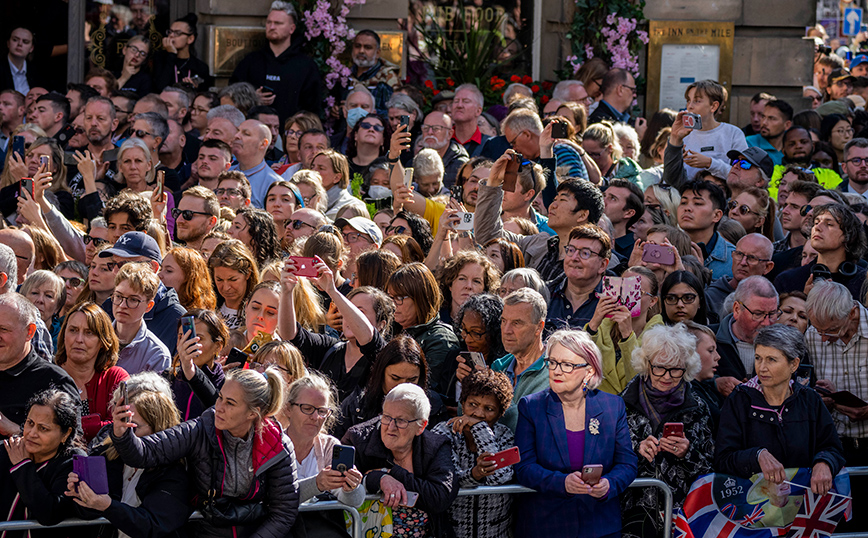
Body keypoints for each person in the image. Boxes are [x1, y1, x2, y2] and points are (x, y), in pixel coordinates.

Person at [110, 366, 299, 538]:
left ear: (252, 413)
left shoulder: (278, 445)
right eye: (220, 397)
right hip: (206, 531)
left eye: (230, 403)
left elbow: (283, 513)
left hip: (257, 531)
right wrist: (123, 434)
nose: (219, 407)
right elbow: (144, 453)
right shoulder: (200, 428)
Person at [513, 329, 638, 538]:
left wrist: (609, 485)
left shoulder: (612, 406)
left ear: (589, 371)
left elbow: (627, 464)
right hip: (546, 526)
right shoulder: (531, 406)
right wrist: (562, 483)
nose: (556, 371)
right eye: (552, 362)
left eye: (567, 365)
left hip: (600, 526)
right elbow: (524, 467)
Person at [715, 324, 845, 494]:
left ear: (794, 364)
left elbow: (832, 448)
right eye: (758, 358)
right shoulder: (740, 400)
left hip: (804, 504)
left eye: (771, 359)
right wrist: (756, 456)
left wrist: (824, 462)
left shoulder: (809, 400)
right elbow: (723, 459)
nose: (761, 368)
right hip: (753, 509)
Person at [66, 373, 191, 538]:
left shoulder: (174, 470)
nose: (125, 433)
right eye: (120, 423)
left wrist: (108, 506)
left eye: (133, 427)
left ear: (159, 427)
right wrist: (81, 494)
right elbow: (88, 516)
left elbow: (154, 525)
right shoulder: (107, 452)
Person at [621, 323, 714, 536]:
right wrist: (637, 449)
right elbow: (608, 456)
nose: (667, 376)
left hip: (683, 513)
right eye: (660, 367)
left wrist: (686, 453)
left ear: (686, 368)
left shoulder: (697, 407)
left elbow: (709, 469)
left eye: (676, 369)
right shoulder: (622, 403)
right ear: (646, 364)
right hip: (634, 511)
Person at [343, 383, 459, 538]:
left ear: (421, 426)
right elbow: (340, 484)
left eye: (401, 420)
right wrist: (378, 479)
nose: (391, 427)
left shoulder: (435, 446)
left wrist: (393, 473)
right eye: (386, 417)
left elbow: (440, 496)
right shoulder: (357, 439)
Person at [280, 255, 390, 400]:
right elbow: (290, 335)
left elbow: (368, 337)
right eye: (347, 310)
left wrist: (332, 291)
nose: (348, 317)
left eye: (359, 312)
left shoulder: (382, 355)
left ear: (381, 324)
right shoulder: (330, 349)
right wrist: (286, 292)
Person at [432, 369, 515, 538]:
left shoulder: (505, 436)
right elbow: (448, 480)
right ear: (462, 403)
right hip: (453, 531)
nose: (479, 414)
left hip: (495, 531)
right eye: (472, 405)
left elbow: (500, 478)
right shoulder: (443, 432)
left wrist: (480, 429)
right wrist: (475, 474)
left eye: (489, 408)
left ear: (500, 414)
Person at [283, 373, 365, 534]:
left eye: (322, 411)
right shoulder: (274, 444)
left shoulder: (329, 446)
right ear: (288, 409)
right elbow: (276, 498)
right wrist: (317, 484)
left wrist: (351, 487)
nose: (315, 417)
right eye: (307, 409)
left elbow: (354, 502)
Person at [0, 388, 84, 531]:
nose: (32, 433)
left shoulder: (73, 462)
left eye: (43, 428)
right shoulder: (8, 450)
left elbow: (49, 513)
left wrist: (22, 466)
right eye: (30, 423)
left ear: (65, 434)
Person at [806, 281, 868, 470]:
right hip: (834, 446)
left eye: (832, 330)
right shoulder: (811, 336)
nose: (823, 338)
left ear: (852, 313)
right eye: (818, 330)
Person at [230, 0, 322, 123]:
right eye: (269, 22)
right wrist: (253, 99)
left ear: (292, 28)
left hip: (289, 136)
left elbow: (313, 109)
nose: (272, 27)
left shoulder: (306, 66)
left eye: (278, 23)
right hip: (253, 134)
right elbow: (230, 96)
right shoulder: (251, 61)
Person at [0, 293, 77, 437]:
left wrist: (15, 431)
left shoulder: (55, 382)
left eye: (4, 329)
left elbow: (72, 446)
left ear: (29, 332)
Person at [55, 302, 129, 441]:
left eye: (89, 333)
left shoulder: (115, 378)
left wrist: (63, 429)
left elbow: (122, 425)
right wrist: (97, 424)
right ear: (63, 334)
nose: (79, 339)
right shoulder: (48, 374)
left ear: (102, 342)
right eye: (73, 330)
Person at [587, 266, 663, 395]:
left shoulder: (660, 337)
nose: (626, 296)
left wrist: (627, 336)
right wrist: (593, 323)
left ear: (652, 301)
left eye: (637, 292)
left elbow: (641, 382)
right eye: (621, 288)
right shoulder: (600, 328)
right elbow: (578, 364)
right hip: (596, 403)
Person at [386, 262, 460, 394]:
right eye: (390, 297)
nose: (392, 304)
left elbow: (426, 391)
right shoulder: (391, 328)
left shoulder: (441, 339)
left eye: (399, 298)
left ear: (421, 298)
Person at [486, 289, 550, 431]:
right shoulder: (499, 367)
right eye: (503, 321)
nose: (506, 330)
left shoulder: (553, 373)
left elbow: (525, 426)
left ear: (539, 327)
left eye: (516, 323)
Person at [774, 203, 867, 300]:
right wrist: (804, 299)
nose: (817, 228)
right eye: (816, 223)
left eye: (829, 224)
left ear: (849, 236)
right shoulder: (787, 280)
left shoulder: (864, 283)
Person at [715, 275, 780, 396]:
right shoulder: (709, 340)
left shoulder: (786, 345)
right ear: (737, 309)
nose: (766, 323)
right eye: (758, 314)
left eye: (772, 314)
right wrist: (715, 383)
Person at [546, 224, 610, 334]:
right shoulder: (544, 293)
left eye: (585, 253)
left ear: (602, 265)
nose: (574, 258)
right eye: (571, 250)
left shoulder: (612, 302)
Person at [168, 308, 228, 421]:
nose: (188, 344)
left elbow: (216, 409)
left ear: (217, 346)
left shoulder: (226, 385)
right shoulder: (168, 378)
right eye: (182, 337)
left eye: (198, 339)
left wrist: (190, 370)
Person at [112, 262, 171, 375]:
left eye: (133, 300)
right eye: (118, 296)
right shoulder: (96, 338)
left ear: (149, 306)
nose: (122, 305)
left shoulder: (157, 354)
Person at [676, 179, 737, 280]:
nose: (687, 208)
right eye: (683, 202)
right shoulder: (666, 247)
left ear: (717, 215)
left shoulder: (734, 260)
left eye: (698, 203)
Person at [704, 234, 775, 314]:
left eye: (752, 258)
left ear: (767, 267)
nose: (743, 262)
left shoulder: (772, 299)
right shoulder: (710, 296)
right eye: (739, 254)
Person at [437, 251, 500, 328]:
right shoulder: (434, 319)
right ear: (450, 284)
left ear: (485, 289)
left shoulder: (490, 326)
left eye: (476, 281)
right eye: (462, 279)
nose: (468, 286)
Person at [231, 119, 284, 208]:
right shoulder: (224, 173)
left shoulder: (274, 183)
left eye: (246, 134)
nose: (236, 136)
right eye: (237, 131)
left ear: (263, 144)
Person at [153, 14, 212, 91]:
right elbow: (160, 87)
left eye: (177, 33)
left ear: (190, 39)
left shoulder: (200, 67)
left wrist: (194, 88)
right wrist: (171, 54)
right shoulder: (160, 58)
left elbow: (204, 94)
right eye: (170, 32)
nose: (171, 36)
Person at [684, 321, 723, 432]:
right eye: (710, 350)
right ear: (690, 353)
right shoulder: (685, 395)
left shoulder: (708, 388)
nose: (718, 356)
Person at [158, 246, 217, 310]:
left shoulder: (198, 317)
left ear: (189, 277)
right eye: (161, 269)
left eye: (169, 271)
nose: (159, 275)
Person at [746, 100, 794, 166]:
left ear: (787, 125)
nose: (764, 122)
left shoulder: (793, 147)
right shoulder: (749, 144)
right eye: (763, 117)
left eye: (771, 118)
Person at [174, 185, 220, 250]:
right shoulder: (173, 257)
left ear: (211, 222)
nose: (179, 220)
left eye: (188, 214)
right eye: (177, 213)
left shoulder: (221, 259)